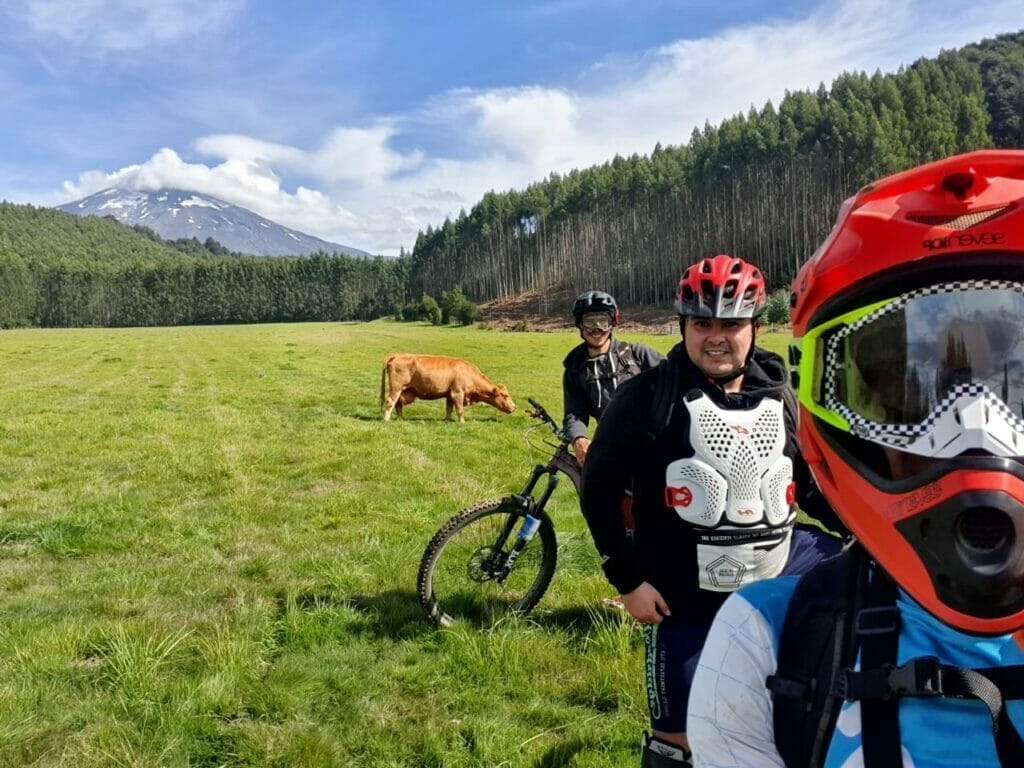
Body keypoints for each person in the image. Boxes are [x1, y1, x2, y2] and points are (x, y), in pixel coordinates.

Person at [687, 150, 1024, 767]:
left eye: (1015, 383)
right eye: (906, 392)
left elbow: (802, 479)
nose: (979, 432)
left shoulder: (770, 391)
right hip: (692, 587)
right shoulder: (772, 642)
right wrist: (631, 575)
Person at [580, 255, 846, 767]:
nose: (716, 337)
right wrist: (627, 580)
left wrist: (867, 534)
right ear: (682, 325)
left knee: (788, 718)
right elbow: (600, 488)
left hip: (773, 578)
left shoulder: (785, 395)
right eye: (702, 324)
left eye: (732, 324)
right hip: (684, 598)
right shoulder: (645, 399)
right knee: (675, 744)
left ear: (755, 326)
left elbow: (806, 485)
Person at [563, 290, 664, 466]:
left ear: (613, 322)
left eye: (603, 321)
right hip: (611, 450)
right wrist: (578, 438)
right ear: (579, 324)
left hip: (656, 446)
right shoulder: (575, 369)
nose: (597, 329)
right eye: (589, 322)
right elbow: (575, 412)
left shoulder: (638, 355)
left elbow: (677, 379)